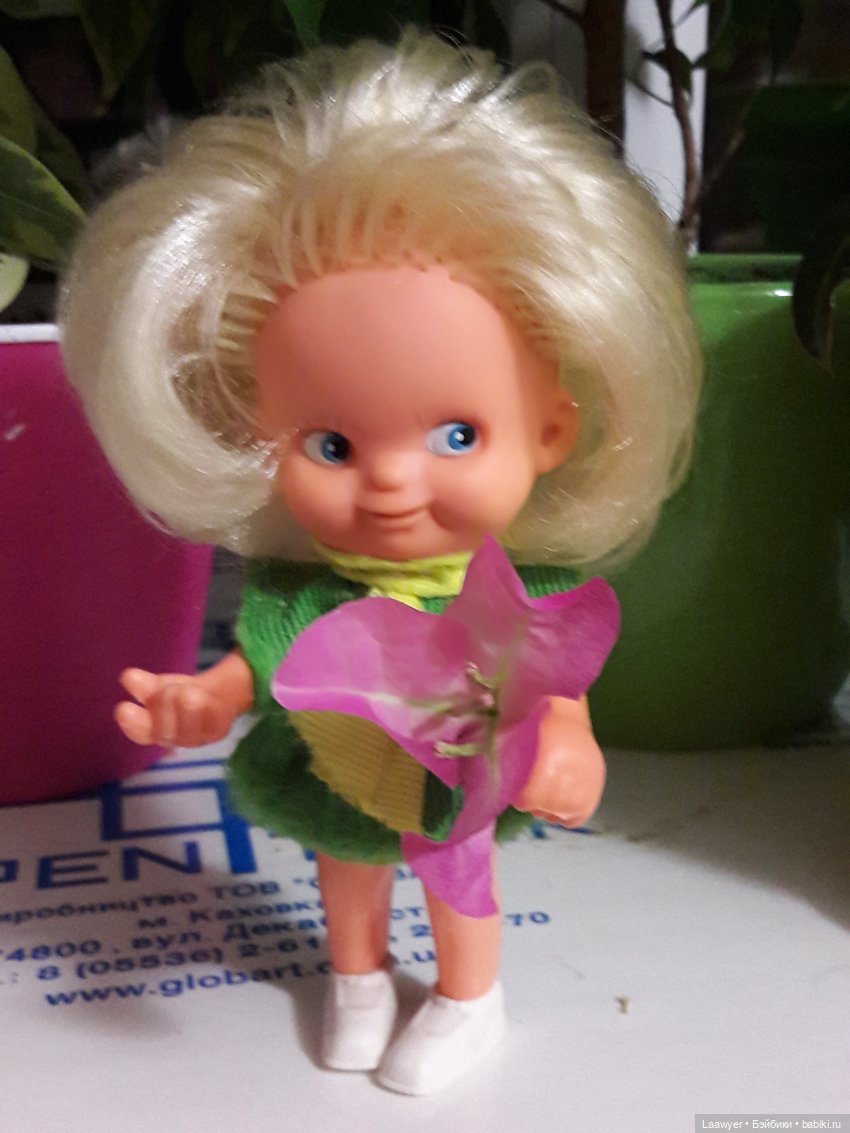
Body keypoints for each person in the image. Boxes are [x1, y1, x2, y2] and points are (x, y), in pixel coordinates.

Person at [61, 29, 701, 1095]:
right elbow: (267, 660)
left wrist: (568, 743)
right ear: (257, 439)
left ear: (550, 429)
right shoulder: (298, 591)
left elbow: (554, 679)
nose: (393, 481)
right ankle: (355, 978)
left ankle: (466, 995)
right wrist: (207, 698)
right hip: (340, 772)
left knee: (457, 876)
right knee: (345, 866)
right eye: (332, 444)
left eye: (456, 434)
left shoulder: (514, 594)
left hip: (457, 784)